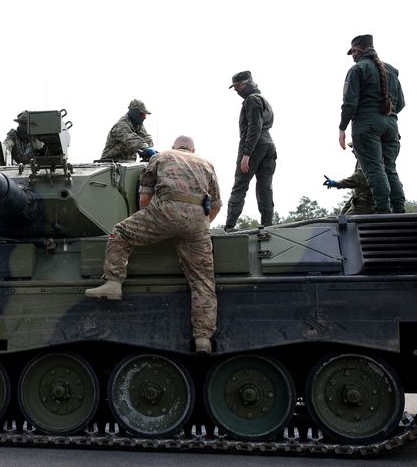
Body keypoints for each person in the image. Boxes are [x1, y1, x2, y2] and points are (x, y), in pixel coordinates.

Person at [85, 135, 222, 354]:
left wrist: (153, 226)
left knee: (120, 232)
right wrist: (195, 227)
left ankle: (113, 283)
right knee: (203, 281)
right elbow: (215, 206)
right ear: (193, 150)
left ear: (174, 147)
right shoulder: (206, 164)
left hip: (166, 211)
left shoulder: (161, 157)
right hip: (197, 221)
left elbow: (144, 199)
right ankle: (203, 338)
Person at [339, 34, 406, 214]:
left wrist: (342, 128)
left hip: (366, 125)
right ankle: (399, 211)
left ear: (355, 50)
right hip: (391, 125)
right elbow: (401, 104)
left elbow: (349, 104)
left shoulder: (357, 69)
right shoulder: (391, 70)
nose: (352, 57)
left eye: (352, 53)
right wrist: (385, 116)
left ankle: (383, 212)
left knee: (374, 169)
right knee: (390, 169)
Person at [223, 71, 277, 231]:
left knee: (240, 185)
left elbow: (255, 126)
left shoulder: (251, 100)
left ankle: (229, 226)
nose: (236, 91)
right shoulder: (263, 100)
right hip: (269, 145)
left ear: (247, 83)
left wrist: (246, 154)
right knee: (265, 187)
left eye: (238, 86)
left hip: (254, 145)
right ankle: (267, 225)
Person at [323, 143, 376, 215]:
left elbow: (357, 179)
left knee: (347, 222)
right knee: (340, 220)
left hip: (367, 203)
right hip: (360, 199)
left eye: (354, 148)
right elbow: (356, 192)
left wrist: (338, 183)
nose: (352, 151)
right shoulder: (361, 161)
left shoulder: (368, 161)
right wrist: (342, 213)